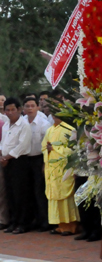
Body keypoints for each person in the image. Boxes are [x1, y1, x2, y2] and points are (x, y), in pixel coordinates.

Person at [42, 112, 78, 235]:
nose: (55, 116)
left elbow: (72, 150)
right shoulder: (50, 130)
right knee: (54, 195)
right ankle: (60, 224)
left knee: (66, 195)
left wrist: (55, 149)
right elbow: (44, 147)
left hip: (64, 167)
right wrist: (48, 150)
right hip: (52, 168)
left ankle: (71, 225)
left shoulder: (70, 129)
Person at [0, 98, 32, 234]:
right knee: (10, 193)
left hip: (20, 161)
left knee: (20, 193)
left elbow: (22, 145)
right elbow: (4, 142)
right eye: (7, 110)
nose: (10, 112)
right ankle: (13, 221)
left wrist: (7, 156)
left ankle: (22, 223)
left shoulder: (24, 125)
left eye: (13, 109)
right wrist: (2, 156)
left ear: (19, 110)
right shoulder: (6, 125)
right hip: (7, 162)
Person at [24, 95, 51, 231]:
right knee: (28, 190)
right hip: (24, 159)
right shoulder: (22, 122)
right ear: (23, 109)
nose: (30, 109)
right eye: (27, 106)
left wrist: (44, 163)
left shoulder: (44, 123)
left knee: (39, 191)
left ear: (38, 107)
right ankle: (33, 219)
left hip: (39, 159)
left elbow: (47, 144)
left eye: (32, 106)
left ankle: (44, 221)